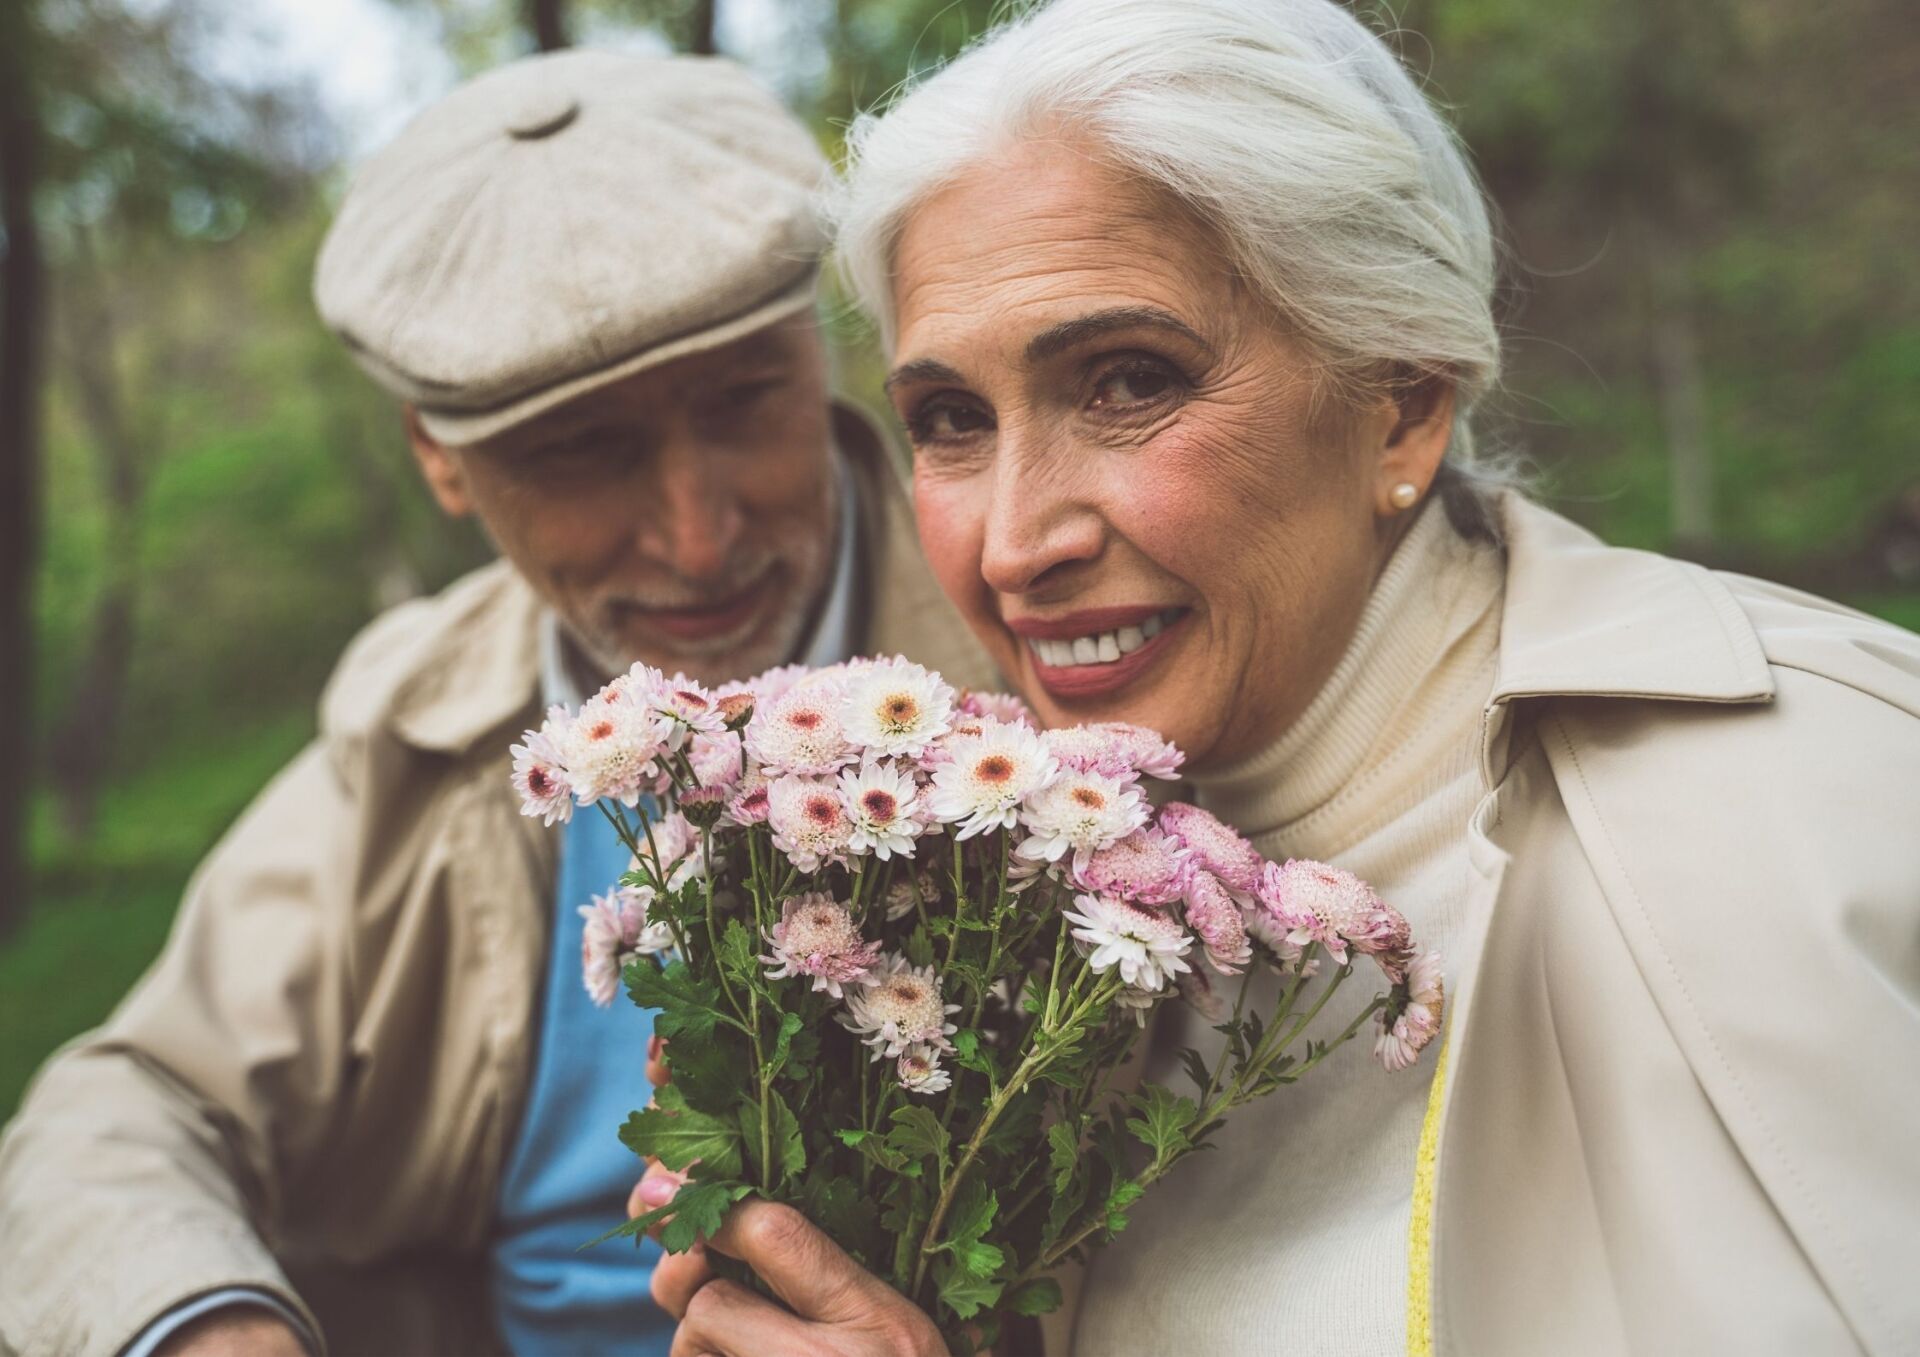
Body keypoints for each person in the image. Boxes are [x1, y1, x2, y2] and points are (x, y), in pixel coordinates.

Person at [630, 1, 1920, 1354]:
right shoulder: (960, 932)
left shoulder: (1811, 805)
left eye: (1127, 382)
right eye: (951, 418)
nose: (1016, 541)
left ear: (1402, 399)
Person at [0, 49, 994, 1357]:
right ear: (437, 458)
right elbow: (119, 1109)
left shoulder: (1028, 649)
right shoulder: (420, 714)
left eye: (744, 401)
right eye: (583, 451)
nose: (698, 539)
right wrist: (211, 1333)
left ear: (822, 346)